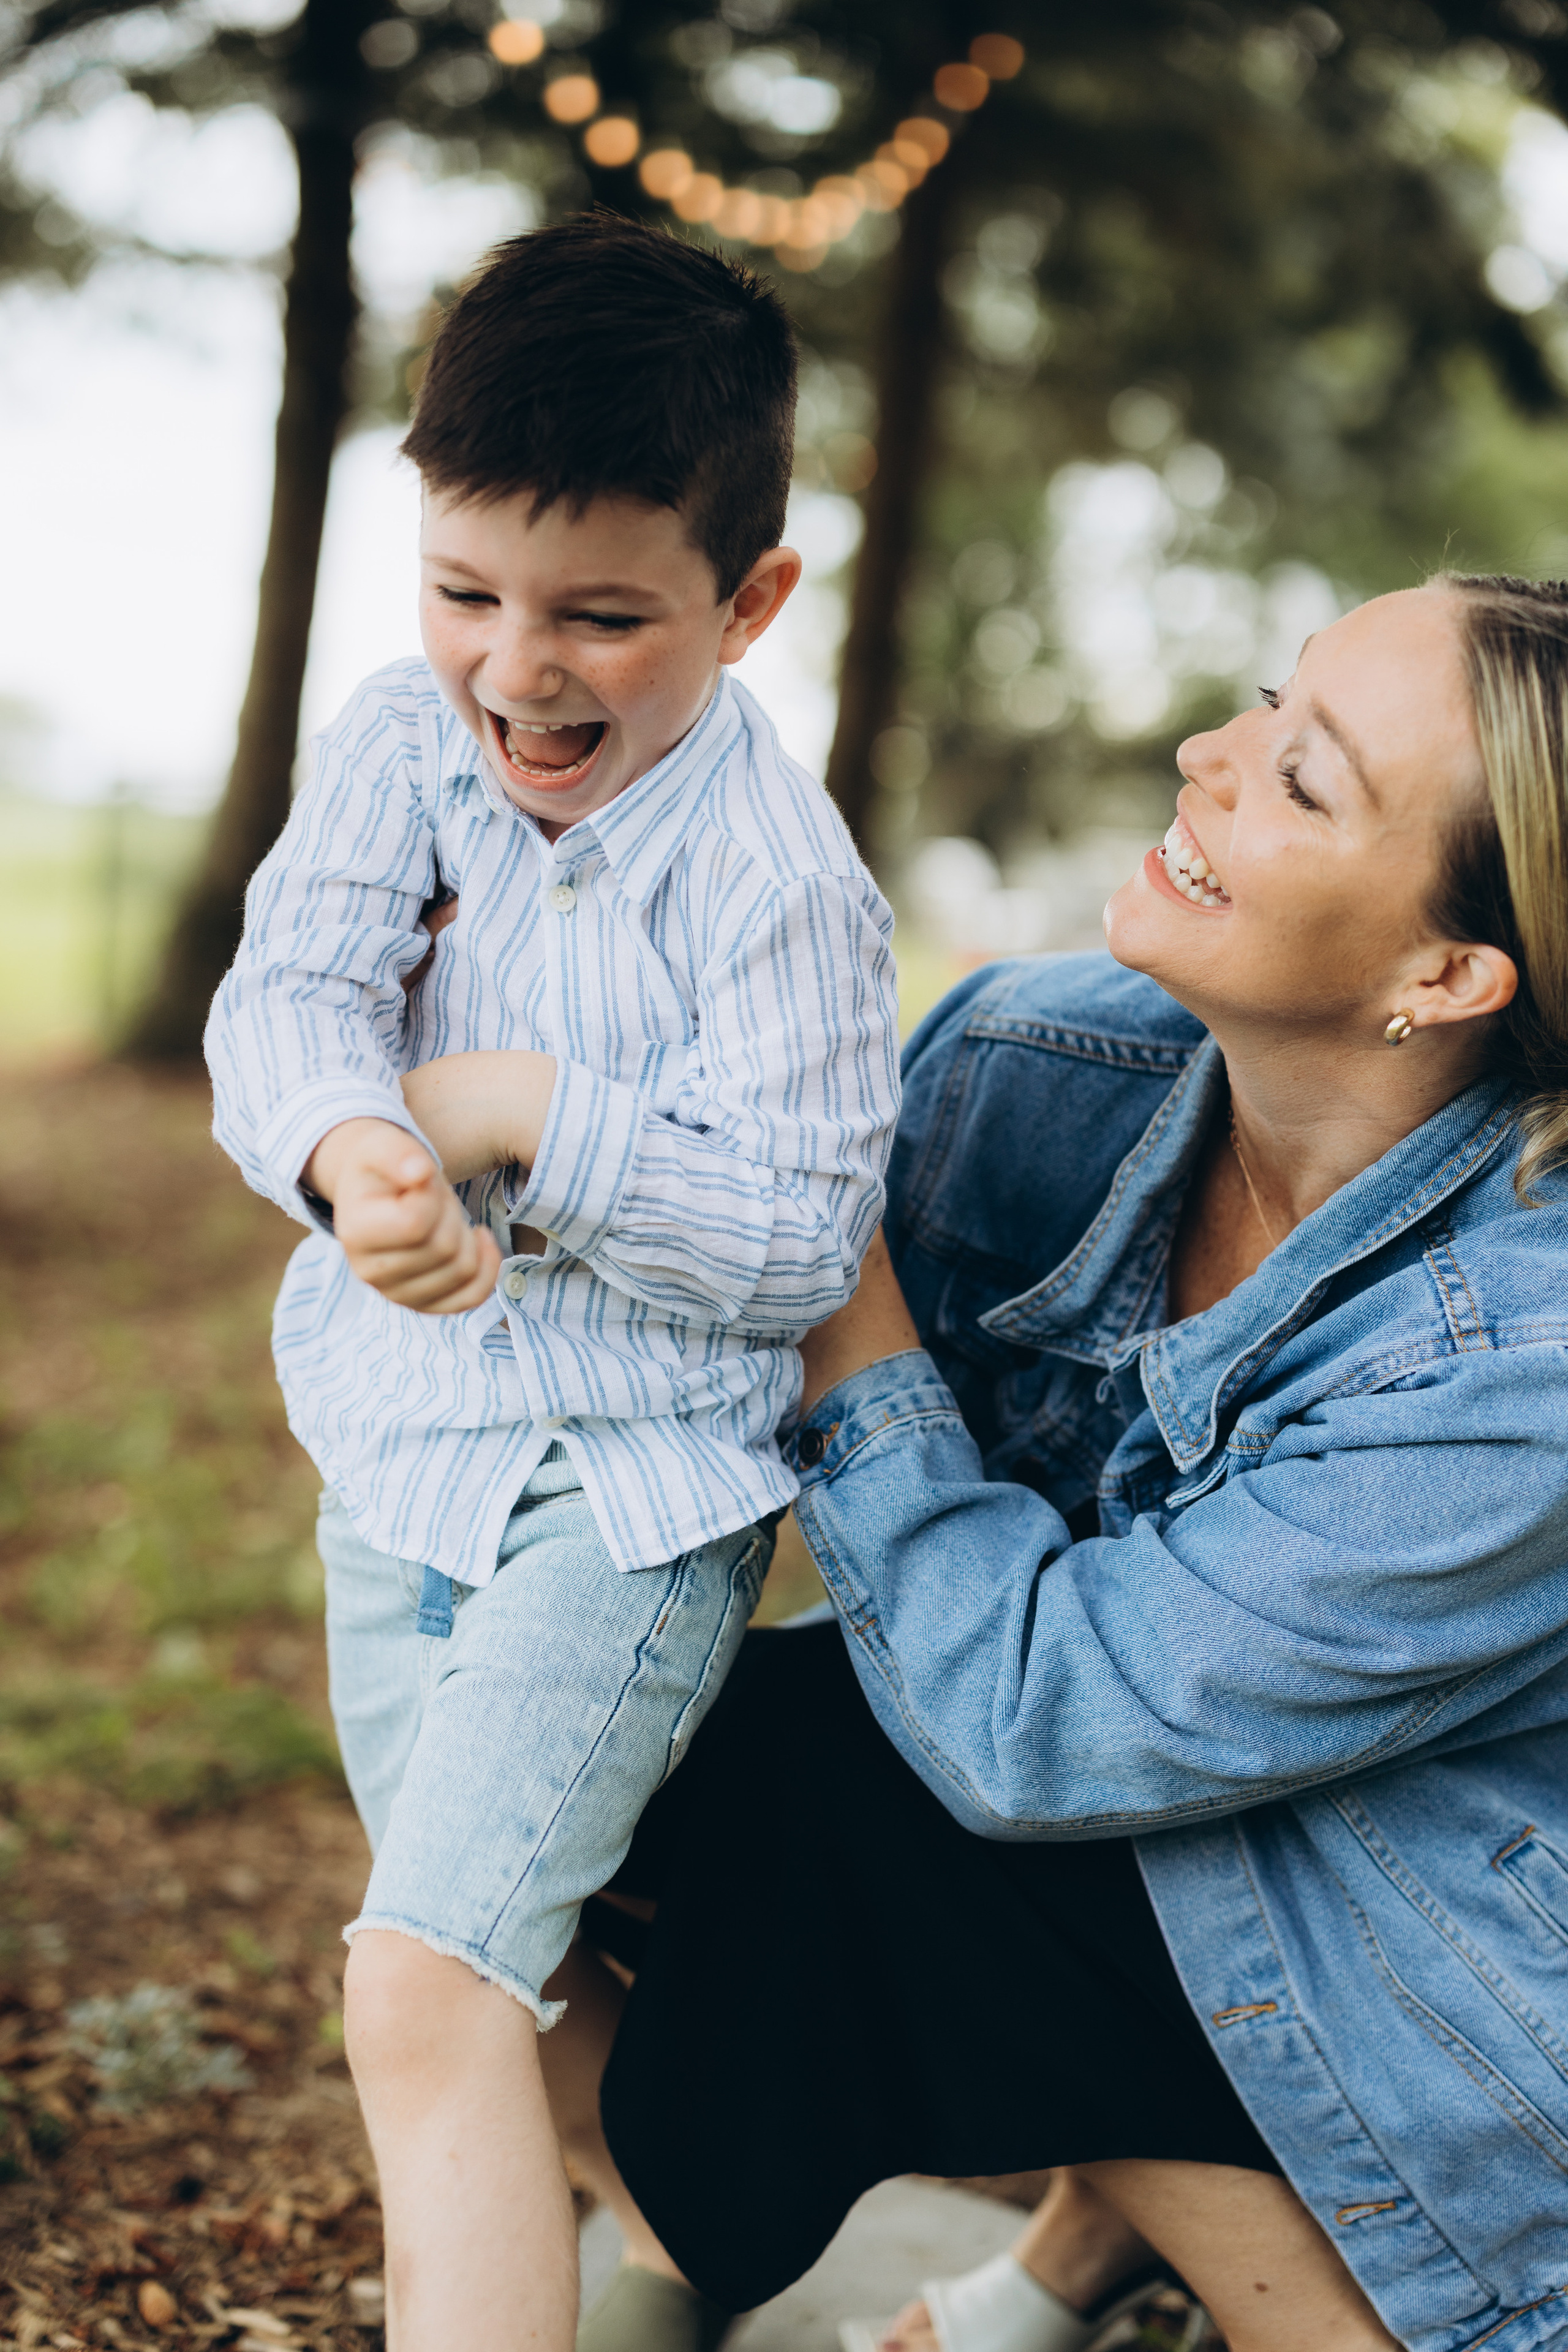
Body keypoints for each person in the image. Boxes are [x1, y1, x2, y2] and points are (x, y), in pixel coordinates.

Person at [535, 575, 1568, 2352]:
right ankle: (861, 2259)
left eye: (1303, 781)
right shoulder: (1038, 1062)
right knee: (589, 1757)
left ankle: (1350, 2327)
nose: (1205, 755)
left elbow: (1042, 1721)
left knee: (862, 1788)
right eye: (1264, 700)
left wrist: (830, 1277)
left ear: (1449, 974)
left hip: (1453, 1987)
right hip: (1186, 1817)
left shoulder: (1529, 1361)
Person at [204, 217, 901, 2352]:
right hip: (396, 1476)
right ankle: (689, 2262)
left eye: (603, 616)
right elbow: (289, 994)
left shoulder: (780, 883)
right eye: (465, 594)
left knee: (422, 1980)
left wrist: (521, 1108)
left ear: (750, 602)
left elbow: (795, 1232)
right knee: (537, 1964)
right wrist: (358, 1155)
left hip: (624, 1505)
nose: (518, 668)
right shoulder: (401, 742)